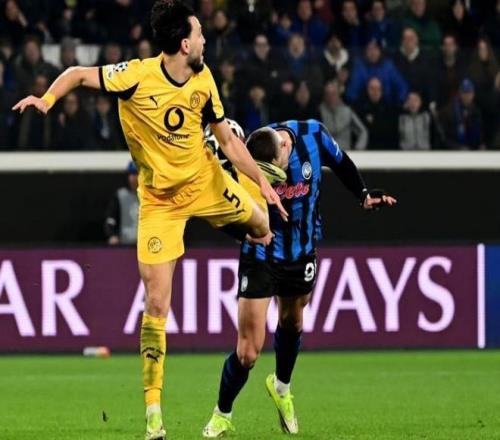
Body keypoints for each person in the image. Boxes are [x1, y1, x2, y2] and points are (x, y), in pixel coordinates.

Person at [12, 2, 287, 439]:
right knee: (156, 305)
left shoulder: (204, 79)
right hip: (160, 203)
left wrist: (262, 184)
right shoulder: (136, 76)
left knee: (262, 226)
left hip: (207, 181)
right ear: (184, 44)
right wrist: (46, 100)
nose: (204, 40)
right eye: (199, 33)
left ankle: (249, 247)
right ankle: (154, 414)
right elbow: (78, 74)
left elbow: (229, 143)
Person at [202, 119, 396, 437]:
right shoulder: (249, 155)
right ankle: (222, 414)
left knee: (292, 321)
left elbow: (341, 162)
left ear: (285, 147)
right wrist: (243, 233)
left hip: (301, 251)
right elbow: (218, 208)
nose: (273, 180)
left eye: (276, 172)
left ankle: (281, 388)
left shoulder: (312, 135)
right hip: (261, 252)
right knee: (248, 352)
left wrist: (362, 193)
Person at [105, 160, 139, 245]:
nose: (133, 178)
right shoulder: (120, 195)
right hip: (124, 244)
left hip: (145, 244)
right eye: (131, 174)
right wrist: (112, 235)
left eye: (136, 174)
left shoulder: (150, 196)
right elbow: (110, 219)